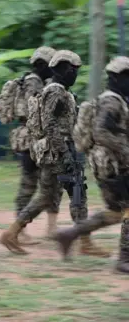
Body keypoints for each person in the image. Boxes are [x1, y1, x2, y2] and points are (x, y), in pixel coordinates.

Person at [0, 50, 107, 256]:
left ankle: (11, 233)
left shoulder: (58, 90)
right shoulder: (55, 91)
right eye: (73, 69)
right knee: (76, 194)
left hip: (56, 150)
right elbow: (49, 124)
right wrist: (65, 152)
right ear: (61, 68)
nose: (75, 73)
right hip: (59, 151)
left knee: (48, 196)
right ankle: (85, 241)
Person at [53, 56, 129, 272]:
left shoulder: (118, 99)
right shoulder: (111, 101)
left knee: (116, 211)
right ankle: (124, 259)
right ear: (117, 77)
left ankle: (69, 234)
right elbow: (101, 132)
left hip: (111, 163)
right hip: (112, 164)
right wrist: (126, 151)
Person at [0, 46, 58, 245]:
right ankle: (21, 231)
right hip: (33, 139)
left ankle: (49, 227)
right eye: (51, 65)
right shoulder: (33, 83)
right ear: (43, 65)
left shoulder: (39, 81)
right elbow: (36, 112)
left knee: (46, 184)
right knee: (30, 185)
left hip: (34, 138)